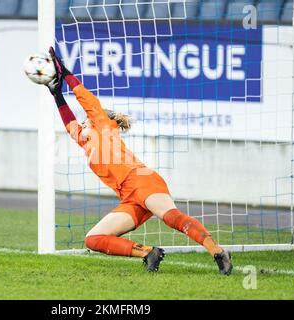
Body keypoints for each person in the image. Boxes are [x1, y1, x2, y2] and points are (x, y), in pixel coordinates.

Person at [45, 47, 232, 275]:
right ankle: (148, 252)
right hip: (129, 197)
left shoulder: (103, 125)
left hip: (142, 181)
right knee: (93, 239)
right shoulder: (86, 142)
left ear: (97, 120)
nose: (81, 122)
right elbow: (69, 124)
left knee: (171, 217)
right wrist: (57, 95)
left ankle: (217, 251)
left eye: (85, 119)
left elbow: (87, 99)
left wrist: (65, 73)